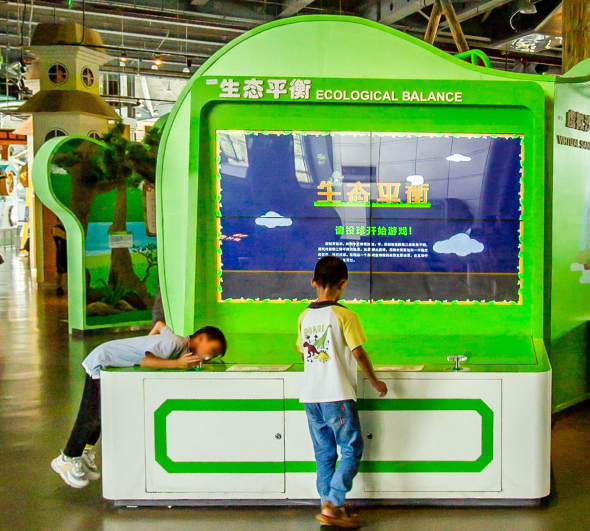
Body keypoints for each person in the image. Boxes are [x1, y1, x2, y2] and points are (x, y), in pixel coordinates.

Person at [51, 321, 227, 489]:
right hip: (103, 360)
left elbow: (160, 325)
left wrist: (147, 343)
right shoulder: (174, 343)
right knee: (91, 415)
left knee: (100, 416)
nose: (209, 357)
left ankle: (82, 454)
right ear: (201, 338)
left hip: (109, 363)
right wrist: (176, 364)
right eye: (212, 350)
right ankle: (67, 458)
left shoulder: (177, 342)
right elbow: (146, 361)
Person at [297, 256, 388, 528]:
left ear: (313, 282)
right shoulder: (345, 315)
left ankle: (327, 504)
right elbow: (358, 353)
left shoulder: (304, 316)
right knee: (351, 449)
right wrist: (375, 380)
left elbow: (304, 355)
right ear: (343, 283)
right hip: (336, 394)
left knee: (324, 453)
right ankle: (333, 504)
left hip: (311, 396)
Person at [52, 222, 67, 295]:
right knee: (60, 270)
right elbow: (65, 237)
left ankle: (61, 286)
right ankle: (58, 287)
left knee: (62, 270)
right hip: (62, 252)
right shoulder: (57, 228)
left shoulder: (64, 228)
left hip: (66, 251)